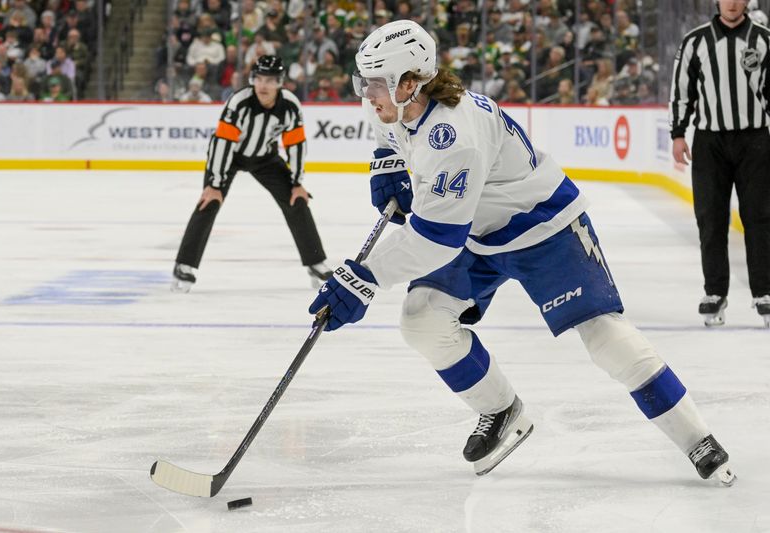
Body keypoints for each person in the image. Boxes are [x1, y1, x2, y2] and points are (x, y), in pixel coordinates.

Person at [308, 20, 737, 484]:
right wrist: (387, 161)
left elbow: (436, 239)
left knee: (603, 337)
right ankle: (502, 410)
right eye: (364, 81)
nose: (366, 94)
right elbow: (388, 132)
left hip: (542, 227)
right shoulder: (399, 102)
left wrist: (364, 278)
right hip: (477, 230)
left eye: (375, 84)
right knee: (422, 319)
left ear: (410, 83)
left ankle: (697, 438)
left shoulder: (454, 137)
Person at [172, 55, 331, 291]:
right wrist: (214, 184)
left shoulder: (290, 106)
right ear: (252, 79)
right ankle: (184, 266)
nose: (263, 85)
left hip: (265, 158)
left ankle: (316, 262)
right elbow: (222, 142)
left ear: (280, 82)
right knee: (209, 202)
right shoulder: (239, 102)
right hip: (230, 157)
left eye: (270, 80)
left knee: (297, 200)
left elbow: (296, 145)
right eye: (259, 79)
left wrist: (297, 182)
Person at [670, 0, 770, 328]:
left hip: (754, 140)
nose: (732, 2)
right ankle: (715, 291)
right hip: (710, 142)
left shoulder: (764, 40)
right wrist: (678, 134)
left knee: (759, 217)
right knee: (710, 219)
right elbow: (681, 91)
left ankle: (765, 292)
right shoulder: (695, 42)